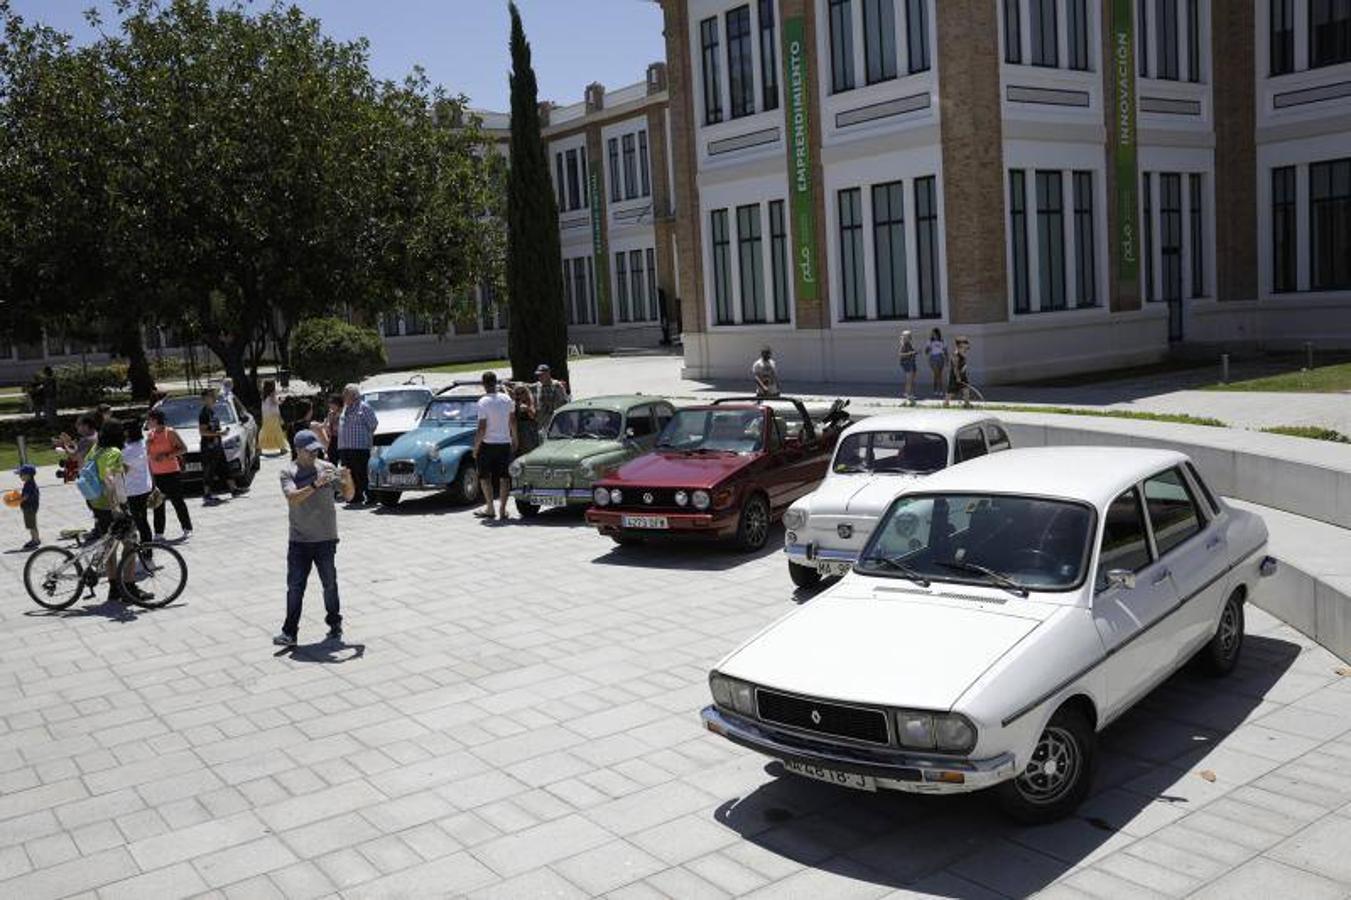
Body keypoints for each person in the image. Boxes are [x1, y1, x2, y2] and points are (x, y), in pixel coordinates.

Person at [273, 429, 354, 647]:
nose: (313, 455)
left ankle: (335, 624)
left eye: (316, 450)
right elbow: (292, 498)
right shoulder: (288, 472)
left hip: (326, 538)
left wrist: (347, 479)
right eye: (309, 452)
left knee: (330, 584)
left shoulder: (327, 468)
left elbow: (349, 495)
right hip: (299, 540)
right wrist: (315, 485)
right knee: (295, 587)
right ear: (298, 450)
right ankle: (289, 632)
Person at [84, 420, 150, 603]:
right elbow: (108, 478)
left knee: (109, 547)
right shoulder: (114, 452)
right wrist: (115, 506)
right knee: (131, 544)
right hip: (112, 505)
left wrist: (123, 469)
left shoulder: (96, 449)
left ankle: (114, 589)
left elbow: (95, 469)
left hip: (96, 504)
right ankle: (129, 588)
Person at [473, 372, 517, 521]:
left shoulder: (483, 402)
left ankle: (490, 508)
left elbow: (482, 428)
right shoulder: (507, 399)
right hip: (504, 443)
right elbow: (513, 421)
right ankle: (503, 510)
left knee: (485, 477)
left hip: (487, 445)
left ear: (484, 384)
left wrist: (475, 447)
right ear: (496, 382)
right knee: (504, 477)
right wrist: (515, 439)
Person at [146, 408, 192, 540]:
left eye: (149, 419)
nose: (147, 422)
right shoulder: (150, 434)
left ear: (155, 420)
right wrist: (148, 444)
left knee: (178, 501)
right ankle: (159, 533)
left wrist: (167, 455)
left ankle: (187, 528)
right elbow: (147, 454)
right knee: (158, 504)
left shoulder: (170, 432)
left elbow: (183, 449)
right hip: (156, 474)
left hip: (172, 472)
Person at [199, 388, 245, 505]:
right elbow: (203, 432)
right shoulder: (204, 413)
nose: (214, 398)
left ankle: (234, 489)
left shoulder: (212, 411)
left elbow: (213, 428)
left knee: (224, 468)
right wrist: (220, 433)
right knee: (209, 471)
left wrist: (221, 432)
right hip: (209, 447)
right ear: (204, 399)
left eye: (214, 396)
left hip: (217, 445)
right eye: (211, 396)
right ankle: (207, 495)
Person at [336, 384, 378, 506]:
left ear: (354, 395)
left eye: (346, 394)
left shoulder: (363, 407)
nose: (343, 396)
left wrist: (366, 437)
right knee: (350, 475)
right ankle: (356, 496)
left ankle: (371, 497)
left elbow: (373, 424)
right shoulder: (345, 408)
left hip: (359, 448)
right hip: (345, 448)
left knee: (362, 474)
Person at [121, 420, 154, 547]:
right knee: (142, 520)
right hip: (144, 486)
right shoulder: (142, 443)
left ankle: (146, 549)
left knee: (140, 521)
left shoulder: (129, 450)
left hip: (134, 490)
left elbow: (125, 469)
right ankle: (146, 547)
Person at [54, 414, 98, 483]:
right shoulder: (96, 435)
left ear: (86, 426)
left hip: (89, 475)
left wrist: (64, 445)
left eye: (78, 425)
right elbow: (79, 451)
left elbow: (74, 457)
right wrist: (69, 443)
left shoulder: (86, 441)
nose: (76, 427)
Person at [533, 364, 570, 428]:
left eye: (542, 375)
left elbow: (563, 404)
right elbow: (525, 385)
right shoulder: (539, 385)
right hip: (543, 422)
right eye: (539, 375)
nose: (540, 377)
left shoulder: (556, 386)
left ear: (548, 374)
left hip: (556, 421)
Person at [259, 379, 289, 456]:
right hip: (273, 416)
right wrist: (282, 400)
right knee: (277, 431)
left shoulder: (264, 395)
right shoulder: (272, 394)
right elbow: (276, 403)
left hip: (266, 416)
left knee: (265, 431)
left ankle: (260, 449)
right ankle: (282, 448)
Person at [15, 464, 40, 549]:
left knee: (31, 525)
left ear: (28, 475)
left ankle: (35, 540)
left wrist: (18, 499)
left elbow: (25, 497)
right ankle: (36, 538)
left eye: (21, 474)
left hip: (29, 507)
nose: (20, 476)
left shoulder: (29, 484)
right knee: (33, 524)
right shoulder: (29, 483)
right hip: (31, 507)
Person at [946, 336, 974, 409]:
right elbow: (955, 368)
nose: (965, 350)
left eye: (966, 349)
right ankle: (946, 402)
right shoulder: (955, 355)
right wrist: (958, 377)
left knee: (966, 389)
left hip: (962, 375)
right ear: (958, 347)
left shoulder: (963, 354)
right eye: (964, 348)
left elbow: (963, 364)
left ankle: (966, 403)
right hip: (955, 376)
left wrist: (965, 370)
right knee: (951, 391)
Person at [512, 384, 540, 455]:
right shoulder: (514, 404)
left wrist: (527, 409)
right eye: (518, 393)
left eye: (523, 392)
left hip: (530, 432)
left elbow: (534, 417)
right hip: (518, 432)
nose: (521, 395)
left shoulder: (531, 401)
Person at [926, 328, 948, 398]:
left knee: (939, 375)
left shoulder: (942, 341)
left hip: (941, 357)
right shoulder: (930, 341)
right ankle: (936, 389)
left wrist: (947, 360)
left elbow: (945, 351)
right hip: (933, 358)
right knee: (936, 373)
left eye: (934, 334)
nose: (933, 335)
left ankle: (939, 390)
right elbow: (926, 352)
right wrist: (928, 348)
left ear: (938, 334)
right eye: (932, 334)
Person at [899, 330, 919, 406]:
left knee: (912, 380)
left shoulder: (909, 344)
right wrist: (911, 353)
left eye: (910, 336)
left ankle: (910, 394)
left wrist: (915, 352)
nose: (910, 337)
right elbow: (900, 354)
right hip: (907, 364)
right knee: (909, 380)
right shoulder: (903, 345)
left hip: (912, 363)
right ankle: (907, 395)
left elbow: (911, 352)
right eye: (908, 336)